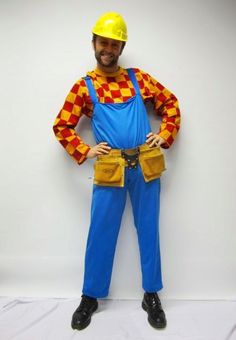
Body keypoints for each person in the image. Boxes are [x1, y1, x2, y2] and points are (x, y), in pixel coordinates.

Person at [53, 12, 181, 331]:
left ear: (121, 47)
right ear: (94, 43)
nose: (107, 48)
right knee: (101, 233)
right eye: (103, 42)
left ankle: (151, 294)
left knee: (149, 230)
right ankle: (91, 297)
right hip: (110, 168)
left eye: (114, 43)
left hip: (146, 166)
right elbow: (62, 125)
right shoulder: (84, 87)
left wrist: (165, 134)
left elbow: (171, 104)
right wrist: (84, 150)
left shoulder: (139, 79)